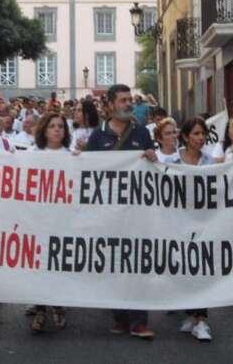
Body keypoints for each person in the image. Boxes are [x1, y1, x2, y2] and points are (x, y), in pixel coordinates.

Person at [86, 84, 157, 340]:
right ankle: (119, 315)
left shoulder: (142, 133)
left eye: (129, 100)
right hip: (110, 213)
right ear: (110, 105)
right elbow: (89, 174)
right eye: (123, 100)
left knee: (138, 264)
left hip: (137, 212)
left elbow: (153, 169)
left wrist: (152, 157)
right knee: (115, 264)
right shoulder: (97, 136)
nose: (129, 104)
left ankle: (139, 320)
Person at [27, 112, 72, 333]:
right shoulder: (33, 155)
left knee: (58, 265)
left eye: (61, 126)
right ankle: (40, 309)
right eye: (52, 126)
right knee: (39, 266)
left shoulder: (72, 156)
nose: (57, 130)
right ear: (44, 130)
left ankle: (58, 306)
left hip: (62, 221)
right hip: (38, 219)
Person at [173, 117, 215, 341]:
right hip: (178, 223)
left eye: (203, 134)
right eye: (196, 134)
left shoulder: (209, 162)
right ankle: (190, 314)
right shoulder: (173, 160)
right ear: (186, 137)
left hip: (202, 224)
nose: (201, 138)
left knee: (201, 271)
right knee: (185, 271)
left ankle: (202, 321)